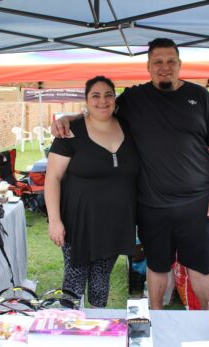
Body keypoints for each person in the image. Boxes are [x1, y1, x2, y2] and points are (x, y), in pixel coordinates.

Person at [52, 38, 209, 309]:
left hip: (198, 203)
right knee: (157, 266)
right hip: (152, 205)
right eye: (158, 62)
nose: (164, 67)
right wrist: (69, 118)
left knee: (200, 267)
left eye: (171, 61)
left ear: (180, 65)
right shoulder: (135, 98)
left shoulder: (200, 97)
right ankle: (156, 321)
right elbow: (101, 108)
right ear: (148, 66)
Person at [44, 76, 139, 307]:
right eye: (95, 96)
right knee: (75, 280)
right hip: (79, 222)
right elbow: (52, 178)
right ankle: (69, 330)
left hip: (115, 221)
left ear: (115, 98)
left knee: (101, 279)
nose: (102, 101)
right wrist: (54, 221)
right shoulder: (70, 132)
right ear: (86, 100)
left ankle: (98, 330)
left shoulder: (128, 125)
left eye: (108, 95)